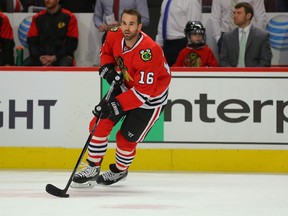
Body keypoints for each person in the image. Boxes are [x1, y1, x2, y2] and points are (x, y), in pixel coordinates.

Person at [71, 9, 171, 187]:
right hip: (126, 85)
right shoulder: (114, 33)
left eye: (131, 24)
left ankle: (119, 171)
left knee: (125, 139)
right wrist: (108, 68)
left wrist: (115, 105)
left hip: (150, 99)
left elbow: (142, 93)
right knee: (99, 123)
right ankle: (93, 167)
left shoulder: (149, 51)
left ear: (139, 27)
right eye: (124, 23)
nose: (126, 28)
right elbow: (106, 52)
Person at [22, 0, 78, 66]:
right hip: (41, 57)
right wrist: (40, 57)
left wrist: (54, 57)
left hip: (62, 57)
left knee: (63, 66)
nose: (47, 0)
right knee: (22, 68)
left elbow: (72, 44)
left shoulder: (69, 17)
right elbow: (32, 43)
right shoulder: (37, 18)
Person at [219, 2, 272, 67]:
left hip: (254, 75)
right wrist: (233, 74)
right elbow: (223, 60)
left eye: (239, 13)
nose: (235, 16)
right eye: (234, 13)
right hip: (232, 75)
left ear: (248, 16)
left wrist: (252, 75)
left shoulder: (262, 36)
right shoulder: (227, 37)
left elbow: (265, 61)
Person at [155, 0, 202, 66]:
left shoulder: (191, 2)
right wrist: (158, 44)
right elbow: (162, 22)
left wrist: (191, 47)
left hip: (183, 43)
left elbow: (194, 25)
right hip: (167, 44)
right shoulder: (166, 1)